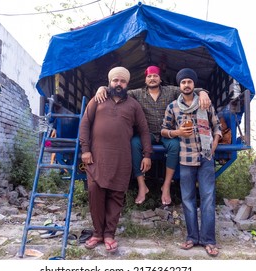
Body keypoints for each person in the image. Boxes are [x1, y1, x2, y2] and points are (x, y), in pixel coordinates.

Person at [95, 66, 211, 205]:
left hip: (166, 132)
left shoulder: (170, 91)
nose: (152, 78)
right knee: (134, 143)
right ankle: (142, 186)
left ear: (160, 78)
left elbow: (188, 88)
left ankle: (166, 185)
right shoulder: (136, 94)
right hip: (147, 134)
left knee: (175, 145)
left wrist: (203, 93)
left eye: (155, 76)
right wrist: (102, 88)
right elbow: (118, 89)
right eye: (149, 76)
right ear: (145, 79)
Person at [79, 66, 152, 253]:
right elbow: (85, 124)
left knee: (116, 195)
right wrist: (85, 150)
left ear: (127, 84)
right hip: (96, 157)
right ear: (109, 82)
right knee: (95, 193)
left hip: (121, 158)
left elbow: (144, 131)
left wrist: (147, 155)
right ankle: (97, 233)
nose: (118, 84)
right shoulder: (99, 99)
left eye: (122, 81)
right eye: (115, 81)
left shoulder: (134, 105)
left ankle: (109, 234)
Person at [161, 68, 222, 257]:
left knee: (208, 198)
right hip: (185, 158)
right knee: (187, 200)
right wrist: (177, 133)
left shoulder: (205, 104)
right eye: (183, 82)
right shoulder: (173, 107)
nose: (186, 85)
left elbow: (217, 127)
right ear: (179, 86)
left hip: (205, 158)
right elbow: (163, 130)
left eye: (189, 81)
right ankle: (191, 238)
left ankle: (208, 240)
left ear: (194, 84)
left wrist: (213, 146)